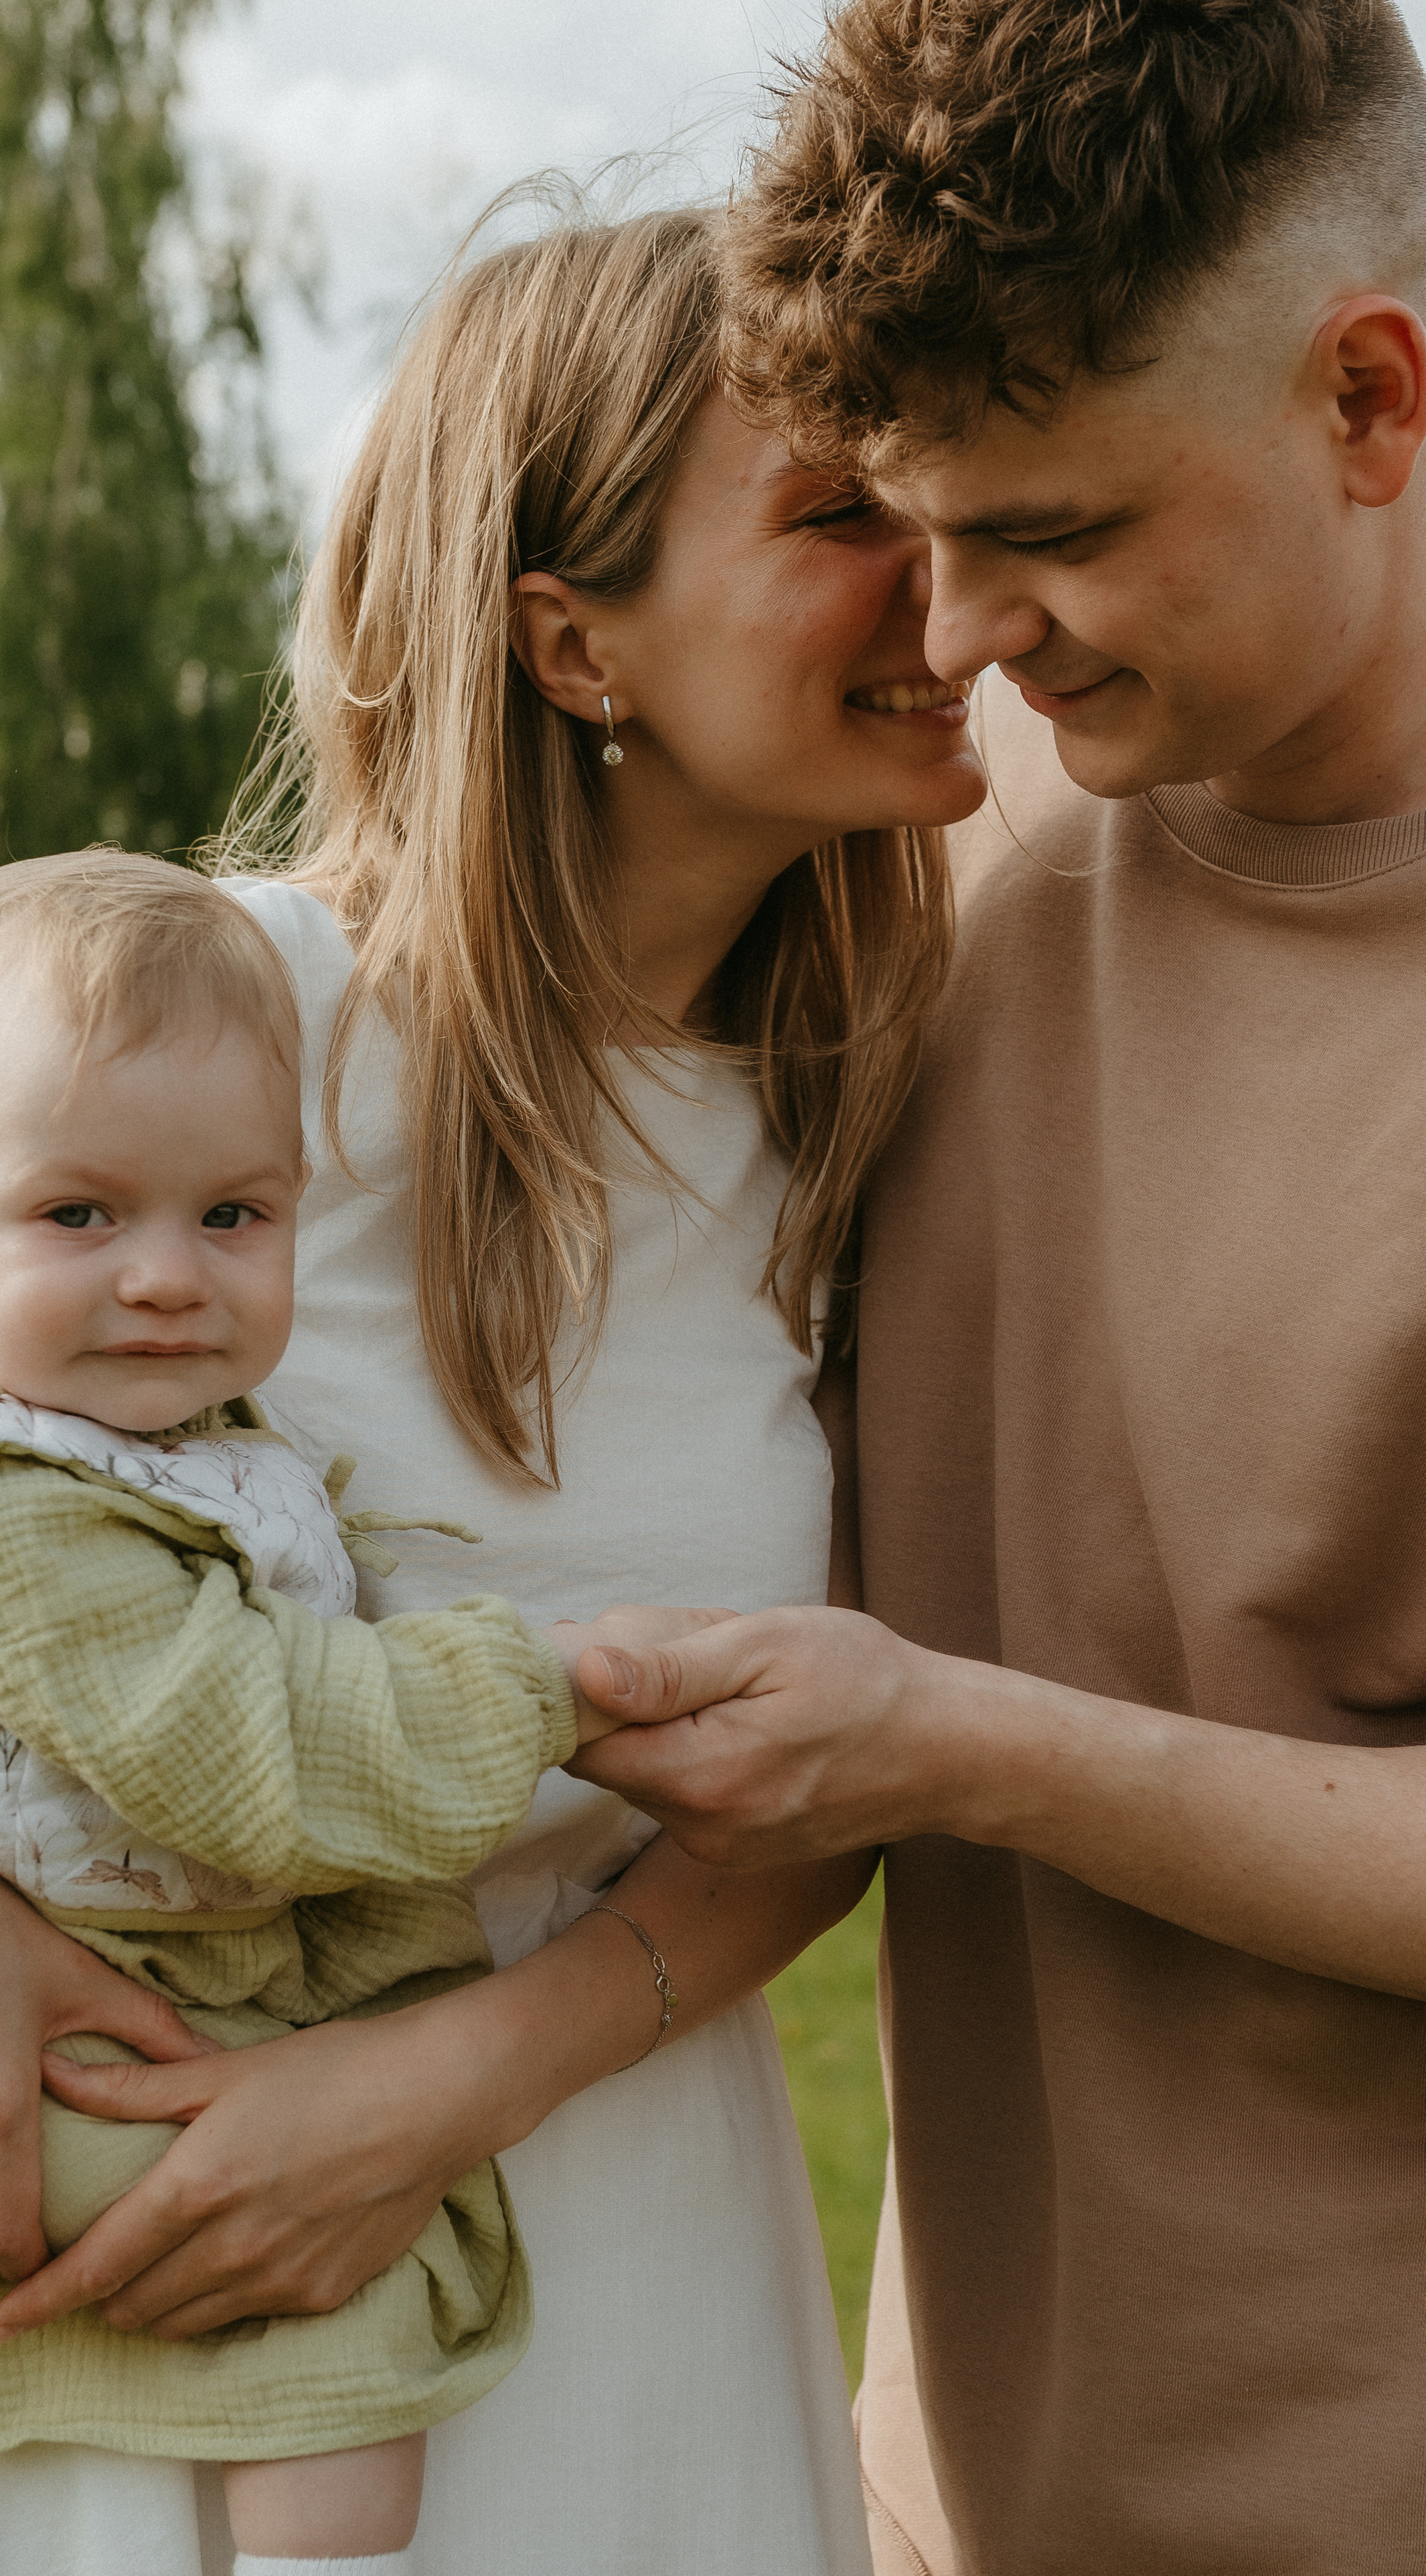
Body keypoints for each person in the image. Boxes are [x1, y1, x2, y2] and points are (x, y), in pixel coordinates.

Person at [0, 204, 984, 2576]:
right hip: (101, 2260)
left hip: (608, 2250)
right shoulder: (209, 1034)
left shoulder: (887, 1121)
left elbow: (846, 1778)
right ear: (565, 635)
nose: (954, 578)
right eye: (842, 514)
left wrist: (420, 2098)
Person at [570, 7, 1426, 2574]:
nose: (949, 638)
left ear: (1371, 401)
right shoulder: (910, 839)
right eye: (900, 522)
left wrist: (961, 1750)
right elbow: (13, 1254)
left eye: (1044, 525)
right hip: (928, 2516)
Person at [0, 846, 676, 2576]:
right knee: (343, 2298)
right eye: (81, 1216)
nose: (166, 1276)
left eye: (233, 1216)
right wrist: (539, 1685)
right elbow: (251, 1749)